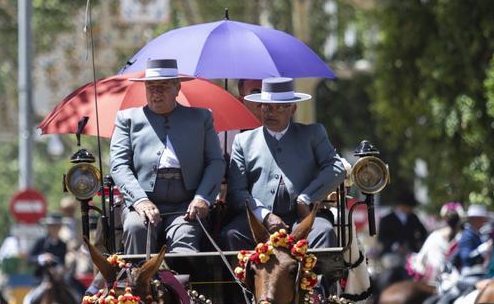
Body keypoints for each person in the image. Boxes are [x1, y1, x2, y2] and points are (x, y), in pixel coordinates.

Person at [110, 58, 224, 255]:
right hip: (142, 201)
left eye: (163, 86)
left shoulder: (201, 118)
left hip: (186, 205)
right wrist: (140, 201)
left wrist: (203, 198)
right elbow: (119, 165)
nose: (156, 92)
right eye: (151, 87)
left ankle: (180, 286)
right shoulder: (127, 119)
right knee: (136, 229)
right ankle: (136, 285)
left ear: (177, 87)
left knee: (185, 243)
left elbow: (215, 161)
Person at [222, 77, 345, 249]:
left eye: (279, 107)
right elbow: (236, 192)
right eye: (267, 107)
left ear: (293, 108)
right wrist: (264, 215)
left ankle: (320, 278)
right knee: (231, 234)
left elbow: (337, 168)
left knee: (324, 232)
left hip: (302, 219)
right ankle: (242, 277)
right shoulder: (243, 141)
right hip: (259, 221)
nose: (271, 112)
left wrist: (306, 198)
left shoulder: (312, 134)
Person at [377, 189, 428, 255]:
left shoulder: (413, 217)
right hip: (392, 253)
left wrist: (419, 241)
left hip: (411, 252)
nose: (411, 209)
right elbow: (381, 238)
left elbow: (423, 232)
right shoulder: (387, 219)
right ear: (402, 206)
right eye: (409, 206)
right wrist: (396, 246)